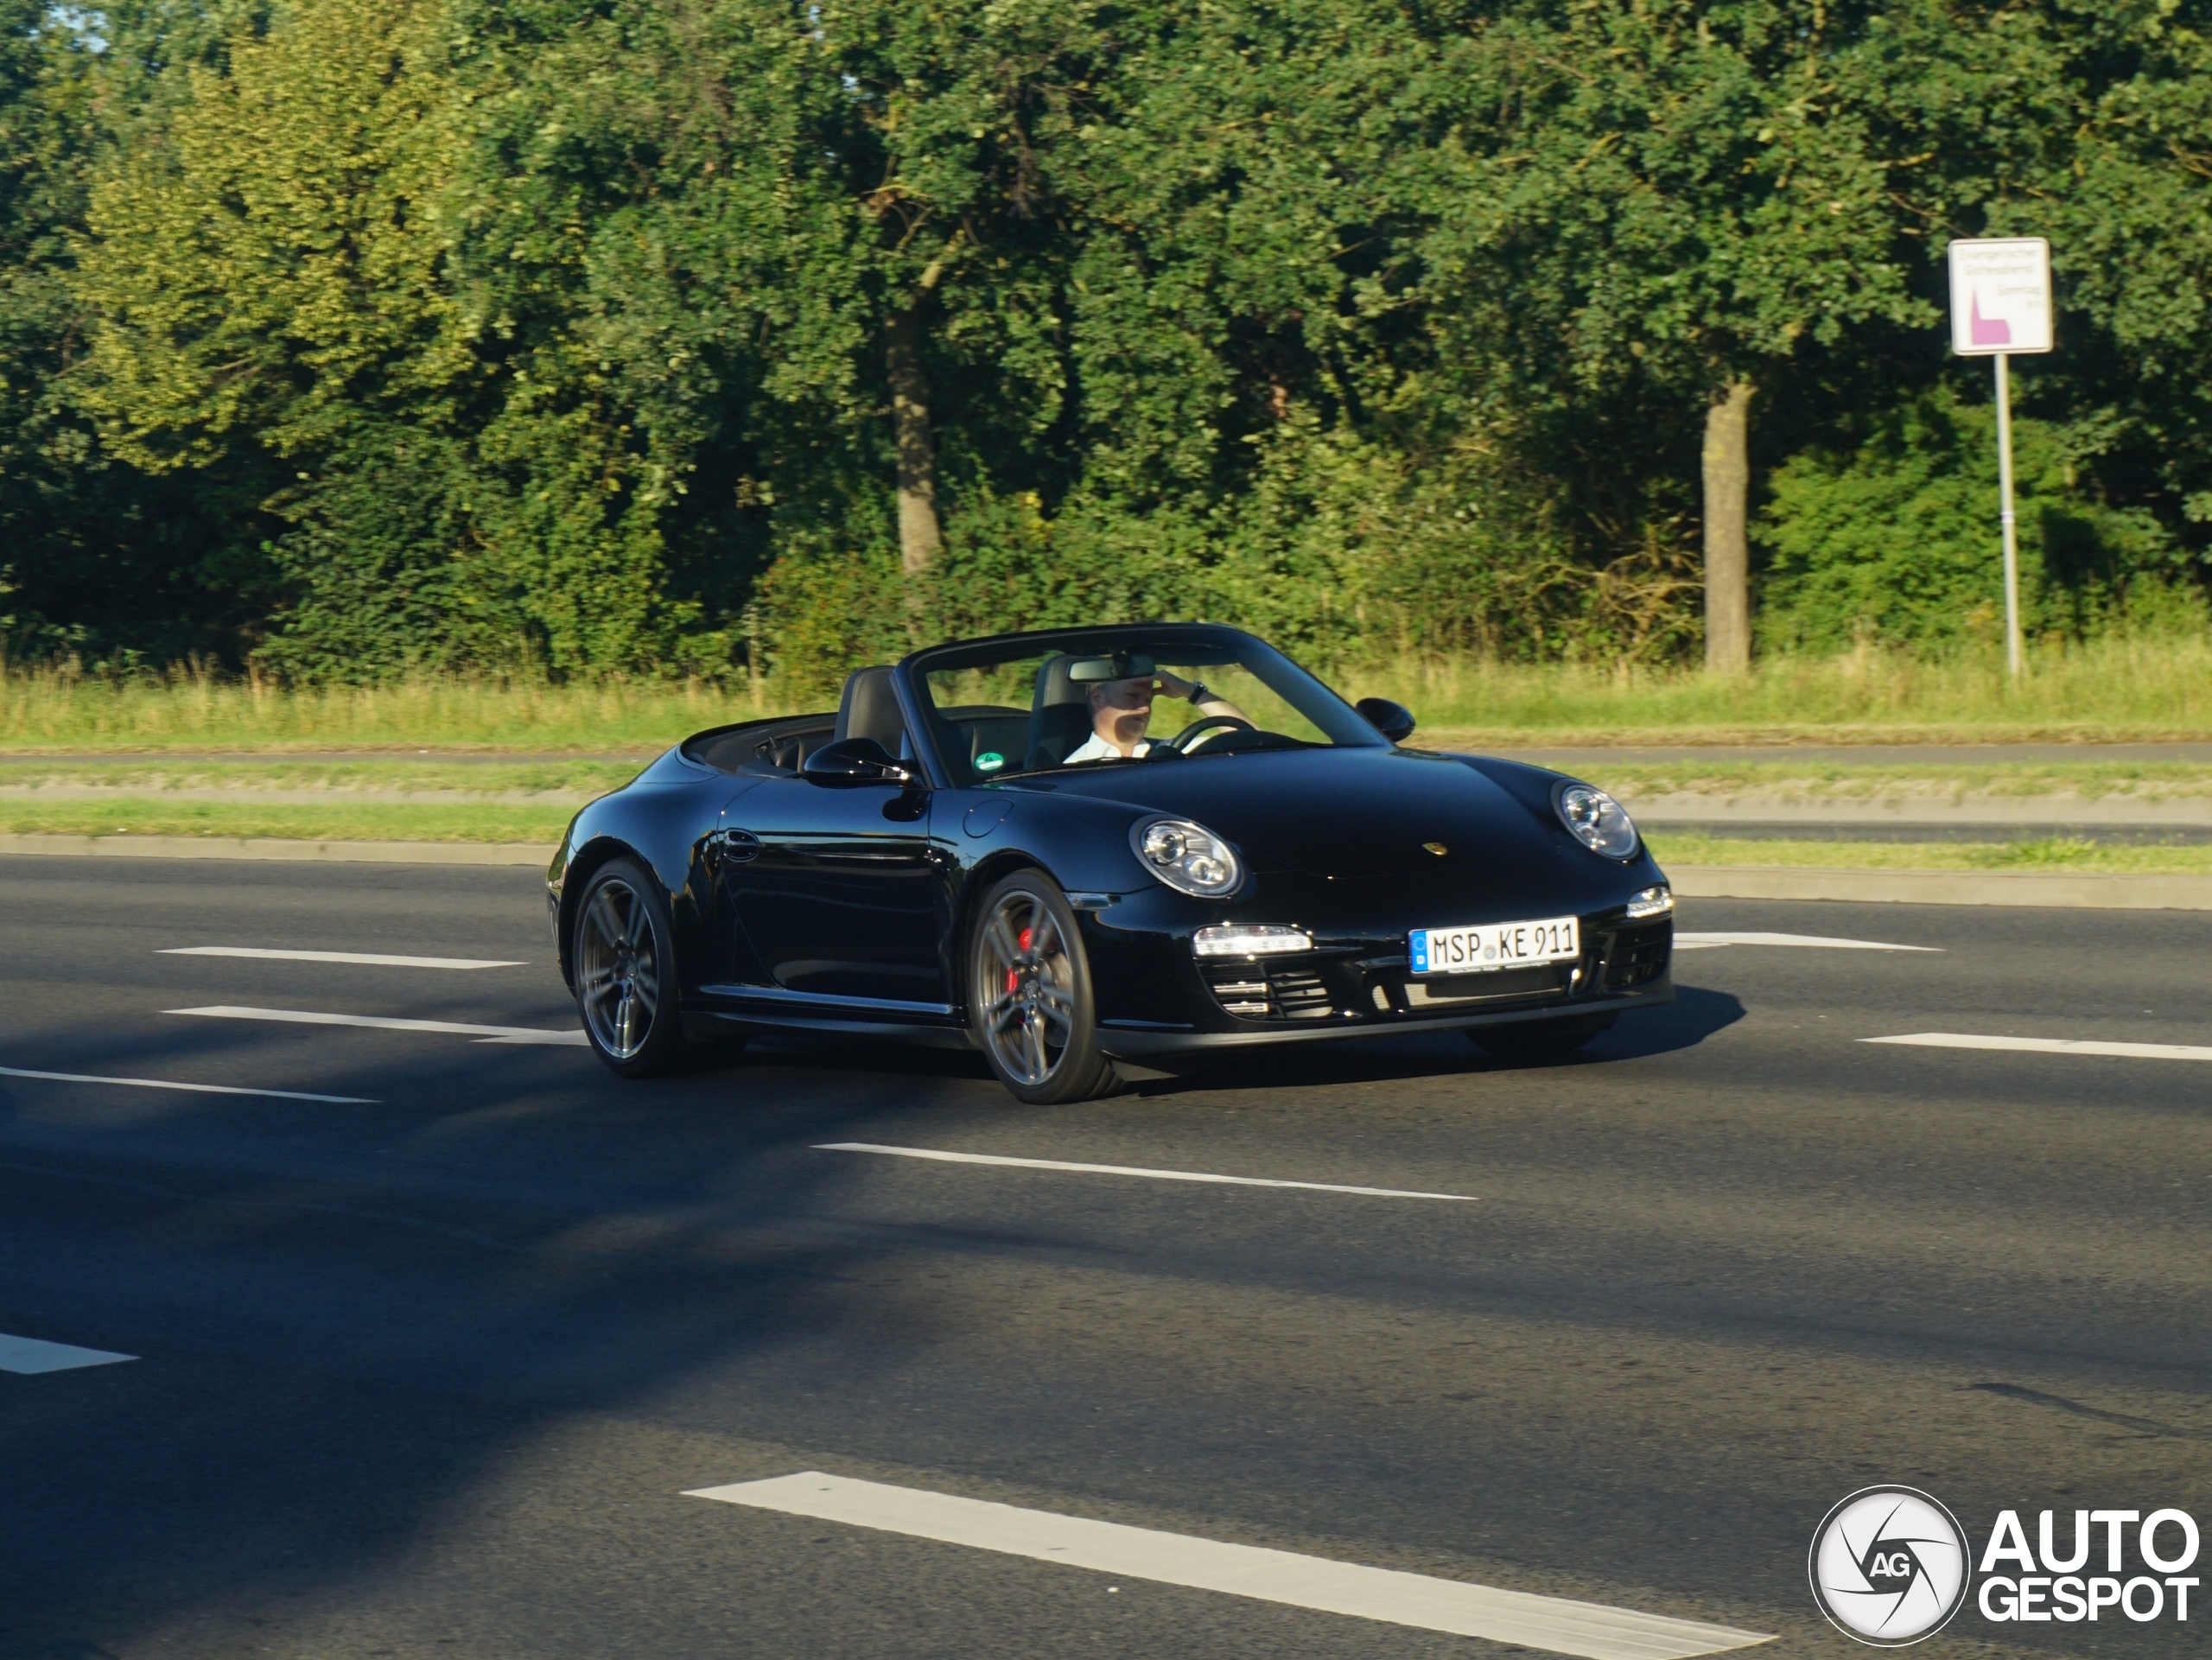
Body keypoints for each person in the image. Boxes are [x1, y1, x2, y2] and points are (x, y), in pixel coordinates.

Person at [1063, 670, 1249, 764]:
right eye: (1132, 696)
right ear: (1098, 698)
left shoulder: (1177, 750)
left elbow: (1251, 742)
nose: (1144, 709)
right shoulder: (1073, 769)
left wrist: (1192, 692)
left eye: (1149, 700)